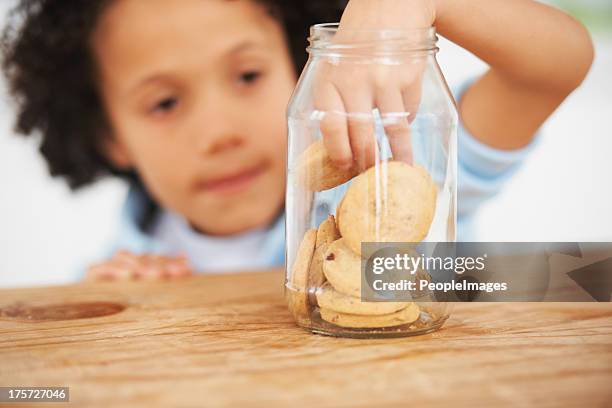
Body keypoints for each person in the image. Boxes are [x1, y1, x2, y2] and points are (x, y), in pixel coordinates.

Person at [1, 0, 593, 280]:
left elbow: (553, 67)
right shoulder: (124, 265)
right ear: (109, 136)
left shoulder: (395, 164)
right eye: (164, 103)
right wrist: (127, 310)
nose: (220, 133)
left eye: (248, 75)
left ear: (301, 64)